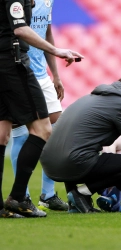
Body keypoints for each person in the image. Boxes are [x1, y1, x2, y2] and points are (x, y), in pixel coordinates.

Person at [0, 0, 83, 218]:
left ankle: (8, 204)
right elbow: (20, 28)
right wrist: (57, 51)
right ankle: (19, 196)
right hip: (14, 63)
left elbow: (43, 27)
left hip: (6, 63)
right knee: (43, 130)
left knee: (2, 134)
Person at [40, 76, 121, 213]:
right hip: (73, 162)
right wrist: (116, 182)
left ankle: (75, 204)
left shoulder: (87, 99)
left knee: (77, 150)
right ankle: (83, 192)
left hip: (49, 164)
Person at [9, 0, 68, 212]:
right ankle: (21, 194)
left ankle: (48, 194)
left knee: (54, 131)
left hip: (41, 75)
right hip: (19, 72)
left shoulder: (48, 1)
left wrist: (56, 75)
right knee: (19, 134)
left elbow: (47, 32)